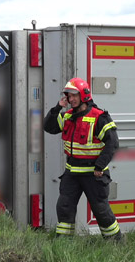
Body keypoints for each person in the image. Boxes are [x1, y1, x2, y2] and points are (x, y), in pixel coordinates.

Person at [43, 78, 122, 240]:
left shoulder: (99, 117)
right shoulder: (67, 116)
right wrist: (58, 107)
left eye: (74, 95)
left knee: (100, 210)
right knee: (64, 207)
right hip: (72, 173)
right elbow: (49, 127)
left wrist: (100, 166)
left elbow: (113, 143)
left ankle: (115, 242)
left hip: (94, 174)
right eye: (68, 96)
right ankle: (63, 244)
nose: (70, 99)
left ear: (84, 95)